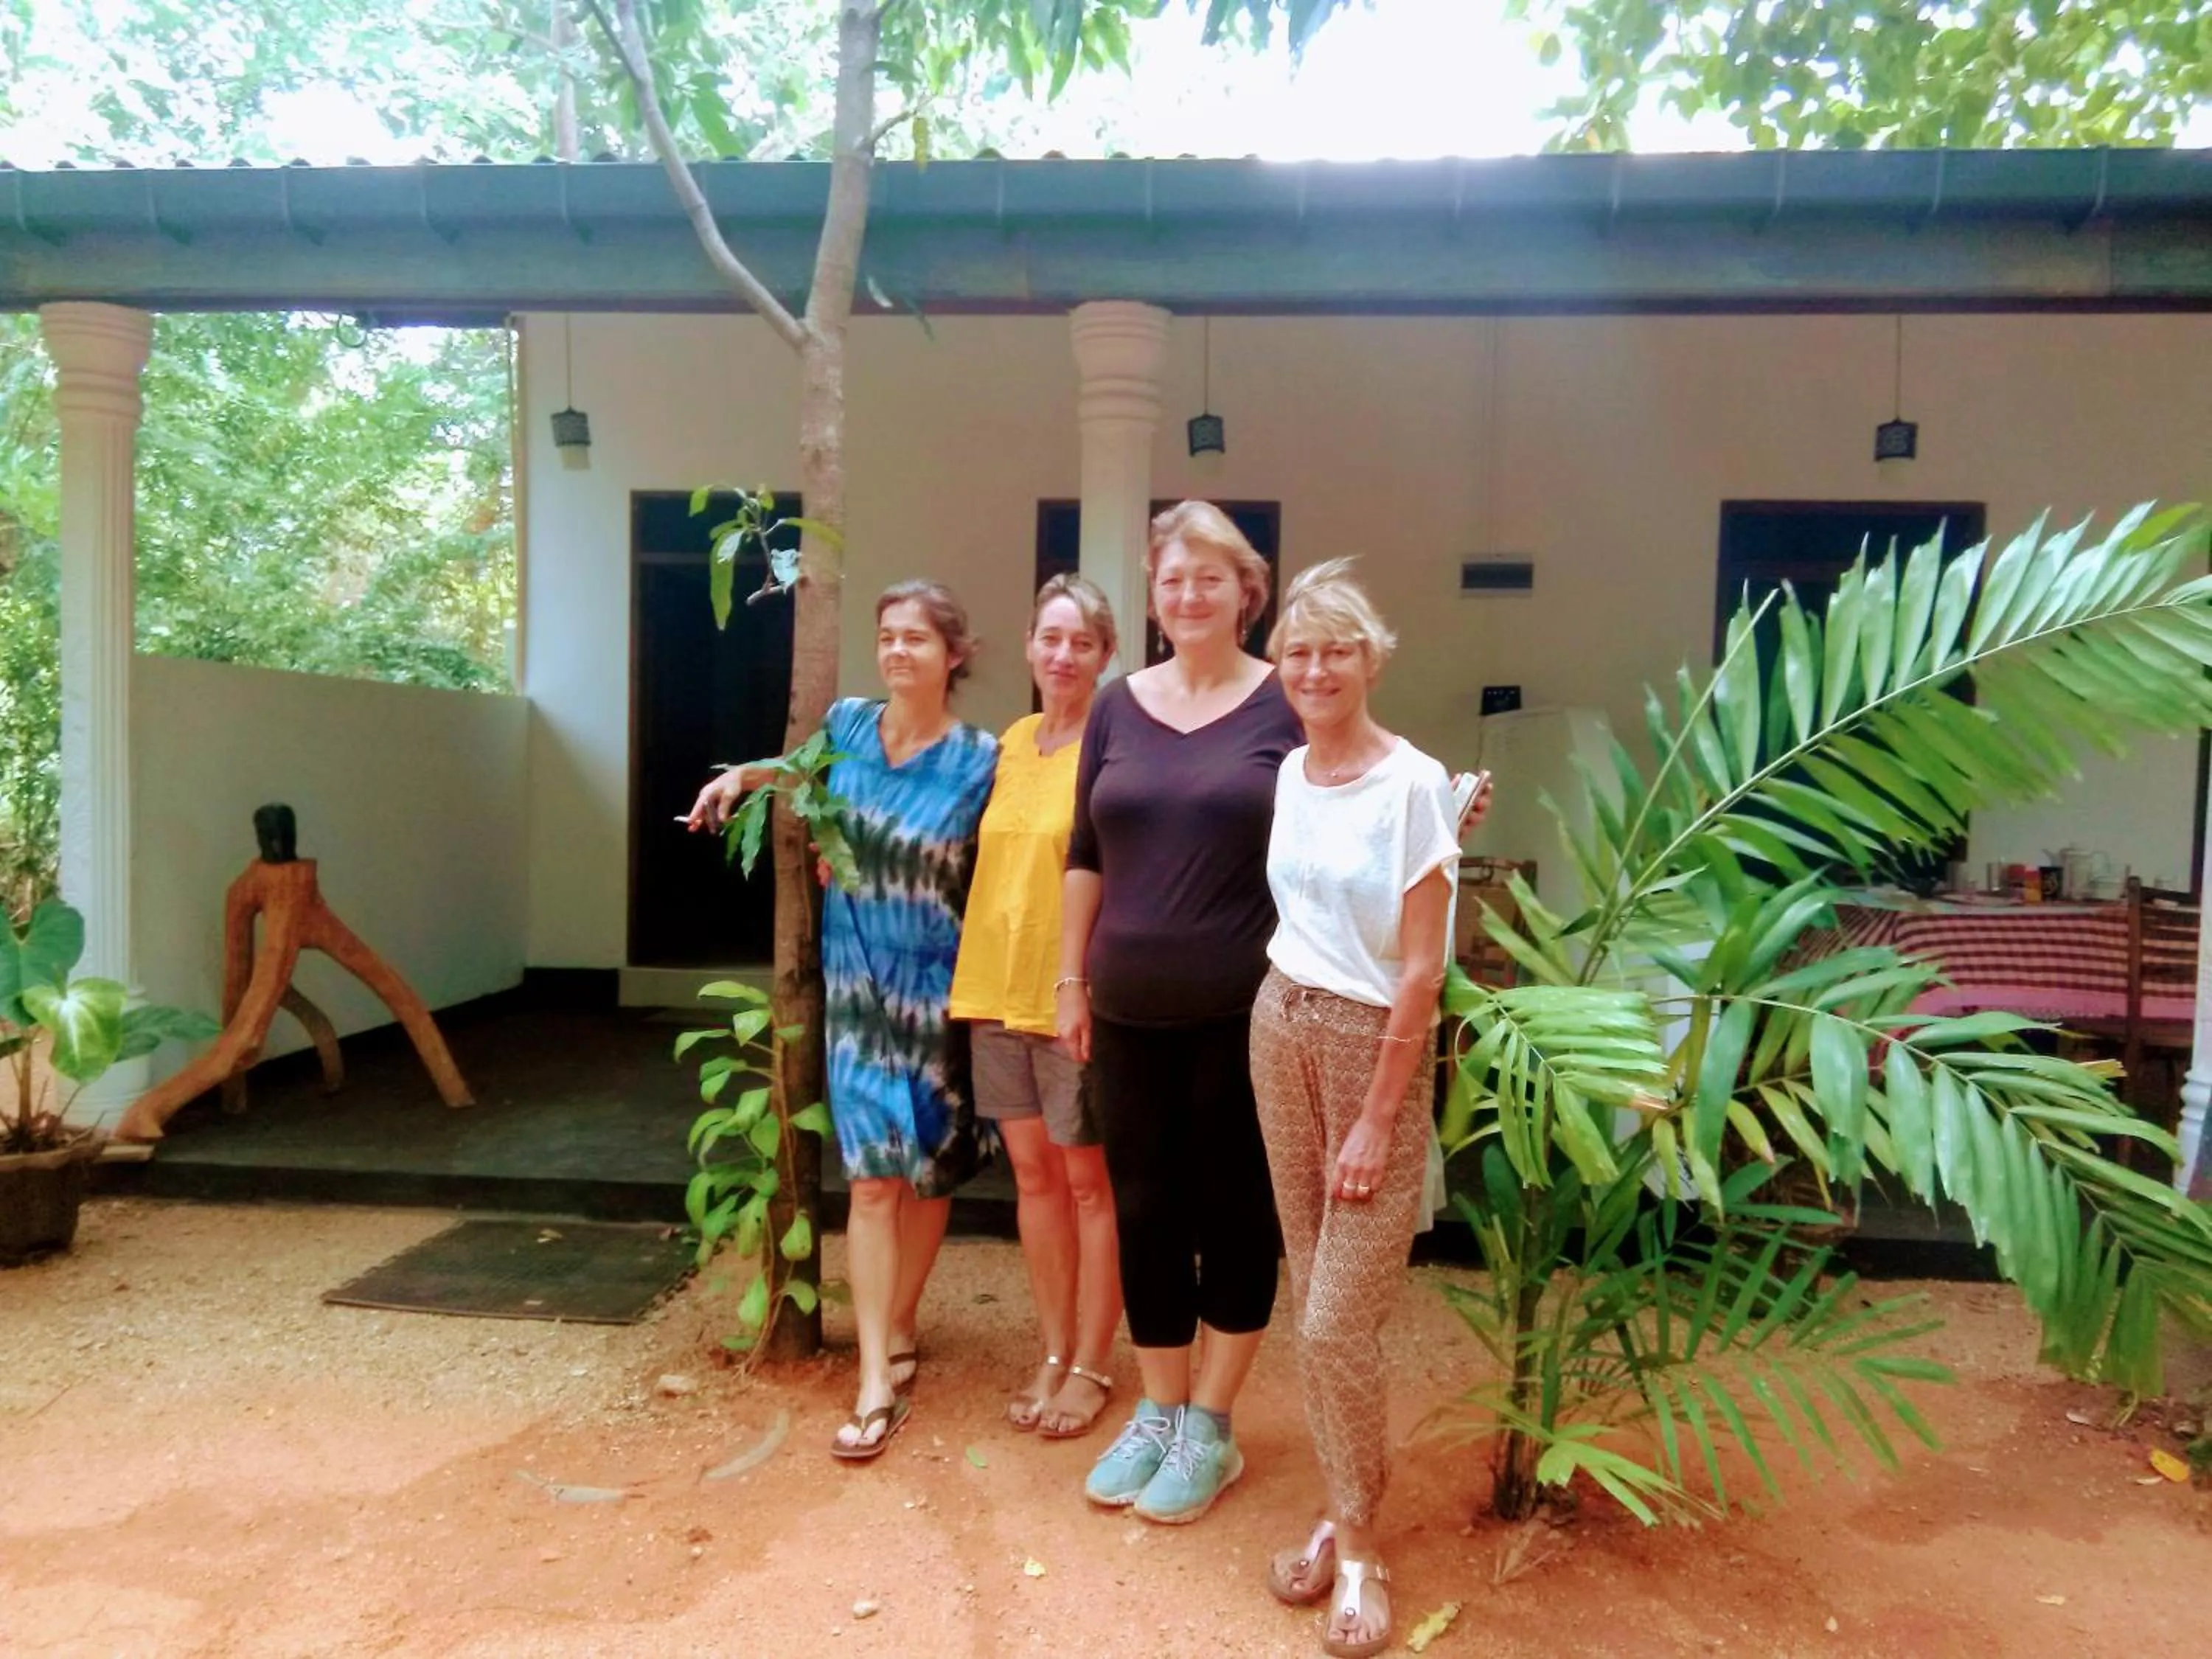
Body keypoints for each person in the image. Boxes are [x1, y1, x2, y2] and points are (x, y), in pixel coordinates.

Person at [687, 580, 998, 1462]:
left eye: (918, 639)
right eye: (888, 636)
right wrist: (739, 779)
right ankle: (872, 1377)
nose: (899, 651)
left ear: (955, 654)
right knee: (870, 1180)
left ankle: (900, 1326)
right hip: (858, 982)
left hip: (938, 987)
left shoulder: (982, 757)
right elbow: (801, 772)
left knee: (929, 1172)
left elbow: (1020, 849)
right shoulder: (852, 726)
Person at [1249, 559, 1480, 1659]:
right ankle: (1345, 1504)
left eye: (1337, 648)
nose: (1315, 667)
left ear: (1372, 658)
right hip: (1278, 1026)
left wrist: (1383, 1116)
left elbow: (1424, 973)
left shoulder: (1414, 782)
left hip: (1367, 1047)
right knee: (1311, 1295)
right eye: (1298, 649)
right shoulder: (1293, 770)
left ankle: (1361, 1549)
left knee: (1343, 1317)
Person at [1057, 501, 1304, 1524]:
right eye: (1171, 578)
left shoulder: (1289, 700)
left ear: (1246, 591)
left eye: (1210, 577)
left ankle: (1212, 1421)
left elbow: (1355, 799)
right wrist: (1070, 978)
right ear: (1153, 595)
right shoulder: (1117, 704)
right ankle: (1158, 1408)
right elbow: (1085, 850)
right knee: (1146, 1206)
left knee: (1237, 1208)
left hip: (1246, 1011)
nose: (1189, 594)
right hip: (1124, 1011)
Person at [949, 574, 1124, 1439]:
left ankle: (1095, 1361)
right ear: (1028, 645)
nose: (1063, 656)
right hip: (993, 985)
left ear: (1107, 656)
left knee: (1091, 1183)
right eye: (1050, 638)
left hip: (1072, 995)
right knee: (1032, 1178)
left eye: (1082, 643)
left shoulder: (1117, 741)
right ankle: (1053, 1349)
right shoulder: (1012, 742)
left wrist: (1081, 984)